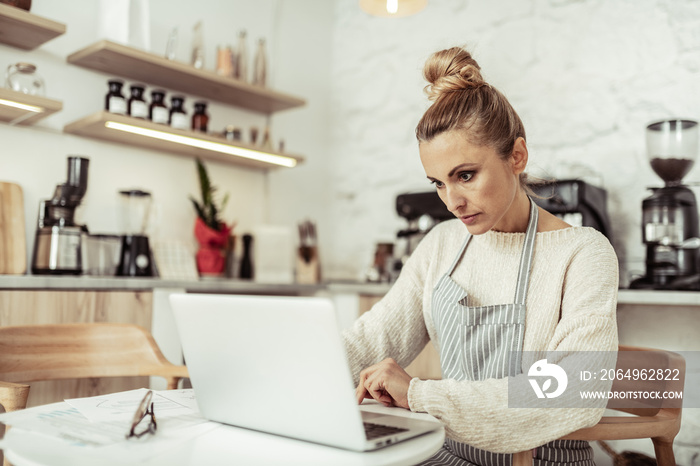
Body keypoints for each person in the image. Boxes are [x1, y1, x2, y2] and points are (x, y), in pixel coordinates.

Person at [341, 46, 618, 465]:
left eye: (465, 175)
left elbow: (572, 390)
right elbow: (372, 339)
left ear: (517, 157)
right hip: (449, 454)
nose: (452, 201)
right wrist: (284, 374)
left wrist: (418, 395)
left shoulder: (583, 252)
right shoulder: (441, 244)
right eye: (437, 183)